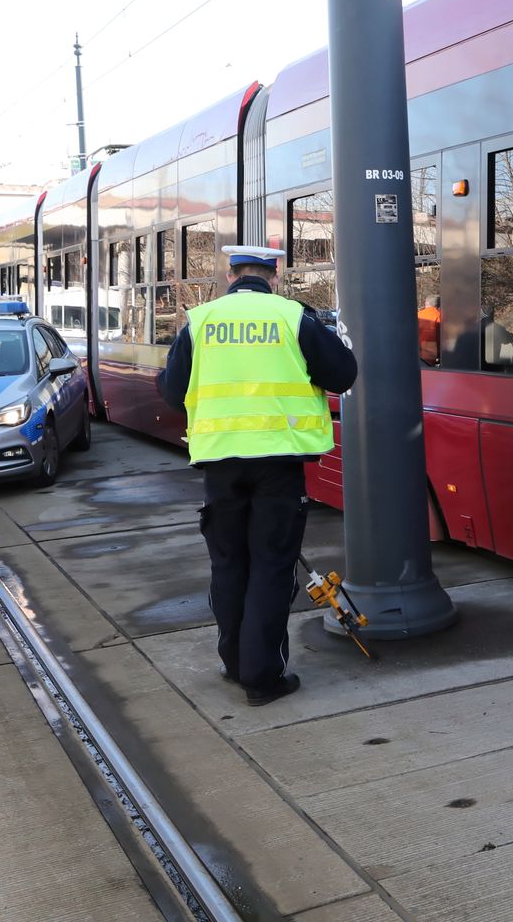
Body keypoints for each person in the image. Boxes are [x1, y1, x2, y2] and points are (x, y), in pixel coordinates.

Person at [157, 245, 358, 706]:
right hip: (278, 465)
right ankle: (262, 676)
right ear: (276, 275)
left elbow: (171, 394)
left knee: (229, 565)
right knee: (271, 566)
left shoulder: (201, 321)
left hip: (220, 465)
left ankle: (234, 664)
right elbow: (343, 374)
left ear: (229, 275)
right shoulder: (293, 318)